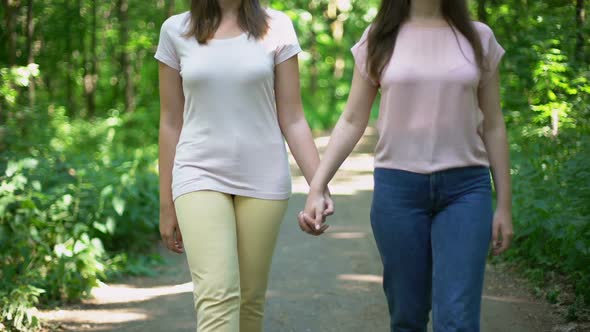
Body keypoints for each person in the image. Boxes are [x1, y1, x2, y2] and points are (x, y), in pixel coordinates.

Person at [299, 0, 514, 330]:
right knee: (407, 316)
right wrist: (317, 186)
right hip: (398, 192)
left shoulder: (478, 37)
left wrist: (504, 206)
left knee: (457, 319)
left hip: (466, 191)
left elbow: (494, 124)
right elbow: (353, 119)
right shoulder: (379, 38)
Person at [154, 1, 333, 331]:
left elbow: (293, 118)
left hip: (263, 176)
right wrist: (167, 204)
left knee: (250, 301)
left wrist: (318, 186)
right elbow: (170, 122)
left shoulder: (276, 27)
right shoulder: (175, 31)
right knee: (217, 297)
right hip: (197, 172)